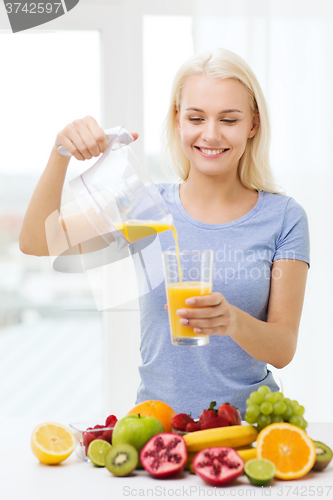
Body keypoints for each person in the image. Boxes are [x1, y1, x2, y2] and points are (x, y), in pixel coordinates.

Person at [19, 48, 309, 419]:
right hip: (157, 428)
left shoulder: (283, 217)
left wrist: (231, 320)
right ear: (178, 121)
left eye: (229, 120)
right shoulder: (146, 207)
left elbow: (283, 348)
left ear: (253, 125)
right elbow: (36, 242)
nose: (211, 134)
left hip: (247, 429)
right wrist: (60, 154)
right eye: (196, 117)